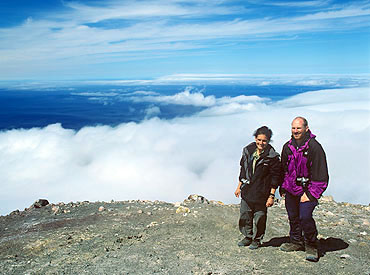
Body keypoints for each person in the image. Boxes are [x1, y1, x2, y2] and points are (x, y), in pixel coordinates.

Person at [280, 117, 329, 262]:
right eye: (293, 128)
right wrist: (283, 186)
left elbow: (321, 174)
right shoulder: (287, 147)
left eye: (298, 128)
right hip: (291, 188)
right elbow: (283, 169)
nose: (295, 131)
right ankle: (296, 241)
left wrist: (310, 193)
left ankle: (312, 245)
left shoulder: (314, 147)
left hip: (308, 189)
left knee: (305, 217)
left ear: (306, 129)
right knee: (293, 217)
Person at [235, 126, 281, 250]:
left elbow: (275, 178)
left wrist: (271, 195)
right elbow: (243, 169)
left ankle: (257, 239)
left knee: (259, 217)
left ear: (268, 141)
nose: (261, 143)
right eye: (259, 140)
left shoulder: (272, 157)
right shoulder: (248, 151)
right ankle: (247, 236)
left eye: (264, 141)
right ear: (255, 138)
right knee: (245, 214)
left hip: (262, 192)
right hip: (247, 189)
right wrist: (239, 186)